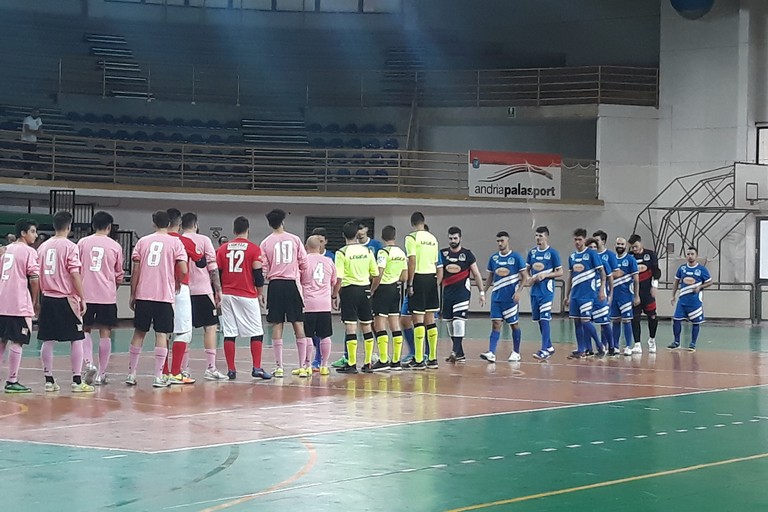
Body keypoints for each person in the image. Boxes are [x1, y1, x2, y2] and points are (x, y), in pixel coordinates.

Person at [126, 210, 187, 388]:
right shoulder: (175, 242)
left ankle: (131, 373)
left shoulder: (143, 242)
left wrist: (133, 294)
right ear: (169, 224)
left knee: (139, 333)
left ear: (153, 224)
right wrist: (177, 282)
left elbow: (136, 270)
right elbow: (183, 269)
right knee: (162, 334)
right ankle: (158, 376)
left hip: (144, 294)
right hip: (164, 295)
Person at [37, 211, 93, 393]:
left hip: (47, 297)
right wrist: (82, 296)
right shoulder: (70, 246)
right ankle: (77, 381)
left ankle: (49, 379)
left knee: (47, 339)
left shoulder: (42, 247)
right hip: (66, 298)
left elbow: (36, 276)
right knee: (76, 338)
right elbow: (74, 273)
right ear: (69, 226)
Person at [216, 216, 272, 380]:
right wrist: (260, 293)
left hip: (227, 294)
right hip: (247, 294)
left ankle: (231, 370)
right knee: (256, 332)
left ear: (234, 231)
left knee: (229, 332)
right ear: (248, 230)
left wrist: (218, 292)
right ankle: (256, 367)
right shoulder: (254, 249)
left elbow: (218, 273)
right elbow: (258, 275)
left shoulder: (223, 249)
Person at [260, 208, 309, 378]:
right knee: (298, 323)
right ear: (283, 221)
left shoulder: (265, 243)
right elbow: (304, 263)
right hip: (291, 284)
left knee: (277, 324)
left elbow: (264, 269)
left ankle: (279, 367)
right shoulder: (295, 239)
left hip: (274, 285)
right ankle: (303, 366)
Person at [77, 211, 124, 385]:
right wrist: (113, 285)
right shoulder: (115, 246)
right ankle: (101, 373)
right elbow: (119, 273)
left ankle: (89, 363)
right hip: (107, 295)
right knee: (105, 332)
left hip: (85, 294)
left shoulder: (82, 243)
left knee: (84, 329)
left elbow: (76, 267)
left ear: (93, 225)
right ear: (109, 227)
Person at [182, 212, 228, 381]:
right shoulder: (204, 240)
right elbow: (212, 268)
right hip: (202, 290)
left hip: (183, 292)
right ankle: (210, 367)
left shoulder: (178, 240)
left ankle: (183, 369)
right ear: (196, 224)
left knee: (183, 331)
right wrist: (218, 290)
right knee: (210, 327)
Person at [165, 208, 206, 385]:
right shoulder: (183, 240)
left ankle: (163, 371)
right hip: (179, 288)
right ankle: (175, 372)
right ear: (179, 224)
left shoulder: (149, 241)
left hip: (158, 289)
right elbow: (201, 260)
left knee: (163, 331)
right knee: (183, 332)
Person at [0, 219, 40, 393]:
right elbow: (34, 278)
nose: (36, 235)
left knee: (2, 340)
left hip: (2, 301)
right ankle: (12, 380)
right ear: (23, 233)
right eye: (32, 231)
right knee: (18, 340)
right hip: (17, 302)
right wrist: (35, 300)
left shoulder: (5, 250)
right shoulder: (29, 251)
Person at [334, 221, 379, 374]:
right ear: (357, 235)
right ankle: (367, 363)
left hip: (349, 290)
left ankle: (351, 364)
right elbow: (375, 274)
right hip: (364, 289)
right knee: (366, 325)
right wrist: (371, 290)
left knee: (351, 326)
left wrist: (335, 294)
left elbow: (338, 277)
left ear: (343, 235)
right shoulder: (367, 251)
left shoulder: (341, 253)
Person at [440, 226, 485, 365]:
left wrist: (482, 292)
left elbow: (476, 274)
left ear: (460, 238)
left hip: (462, 293)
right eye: (450, 238)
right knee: (450, 324)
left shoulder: (467, 254)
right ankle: (459, 353)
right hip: (447, 294)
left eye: (455, 238)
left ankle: (454, 351)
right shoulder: (442, 254)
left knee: (459, 321)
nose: (453, 241)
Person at [481, 231, 527, 363]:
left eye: (502, 240)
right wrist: (483, 292)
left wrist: (519, 291)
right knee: (496, 324)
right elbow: (490, 277)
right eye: (498, 241)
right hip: (497, 298)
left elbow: (524, 277)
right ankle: (491, 352)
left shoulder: (516, 257)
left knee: (514, 324)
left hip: (510, 298)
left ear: (508, 240)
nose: (500, 243)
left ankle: (516, 352)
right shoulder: (494, 258)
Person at [405, 212, 441, 370]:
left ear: (412, 223)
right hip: (431, 278)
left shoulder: (411, 238)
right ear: (423, 221)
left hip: (418, 277)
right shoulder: (433, 239)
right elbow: (435, 261)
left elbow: (412, 260)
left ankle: (419, 358)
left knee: (417, 319)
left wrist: (410, 282)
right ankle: (432, 358)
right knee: (430, 319)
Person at [369, 225, 407, 371]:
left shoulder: (383, 253)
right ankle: (396, 361)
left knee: (379, 324)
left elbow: (379, 273)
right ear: (394, 236)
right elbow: (404, 276)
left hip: (383, 289)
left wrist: (373, 289)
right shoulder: (401, 252)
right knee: (394, 324)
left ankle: (383, 359)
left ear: (383, 237)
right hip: (395, 289)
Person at [565, 229, 606, 359]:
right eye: (575, 239)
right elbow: (570, 276)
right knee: (577, 321)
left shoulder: (591, 254)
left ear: (584, 239)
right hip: (575, 295)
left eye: (580, 239)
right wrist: (567, 295)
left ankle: (599, 345)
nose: (577, 242)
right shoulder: (572, 256)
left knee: (586, 321)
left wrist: (601, 290)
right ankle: (581, 349)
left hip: (588, 294)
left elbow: (603, 273)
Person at [300, 235, 336, 376]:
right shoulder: (328, 261)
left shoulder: (303, 262)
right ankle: (324, 365)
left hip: (308, 303)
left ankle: (307, 365)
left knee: (308, 335)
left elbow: (300, 280)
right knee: (325, 335)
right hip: (324, 304)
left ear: (306, 247)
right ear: (320, 247)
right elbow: (334, 281)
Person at [525, 226, 563, 361]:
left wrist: (546, 275)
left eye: (540, 236)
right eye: (536, 236)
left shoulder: (553, 253)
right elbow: (526, 270)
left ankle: (544, 349)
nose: (538, 238)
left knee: (545, 318)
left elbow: (560, 272)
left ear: (546, 237)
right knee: (540, 320)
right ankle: (550, 346)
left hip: (547, 291)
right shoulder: (532, 253)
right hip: (535, 291)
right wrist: (529, 278)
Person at [669, 247, 712, 351]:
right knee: (676, 320)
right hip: (682, 300)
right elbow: (676, 282)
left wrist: (700, 287)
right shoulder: (682, 268)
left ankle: (692, 343)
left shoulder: (702, 269)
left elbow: (710, 282)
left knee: (695, 322)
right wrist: (673, 295)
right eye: (688, 254)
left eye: (692, 254)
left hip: (695, 301)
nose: (690, 256)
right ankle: (676, 342)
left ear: (696, 256)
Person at [628, 234, 661, 354]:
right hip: (635, 291)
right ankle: (637, 344)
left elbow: (656, 271)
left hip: (648, 291)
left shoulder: (650, 254)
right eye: (632, 247)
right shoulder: (630, 256)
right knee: (635, 317)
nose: (634, 249)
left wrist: (655, 286)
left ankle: (652, 339)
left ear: (640, 243)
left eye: (636, 246)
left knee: (652, 316)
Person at [309, 226, 334, 371]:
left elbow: (335, 278)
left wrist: (335, 294)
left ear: (325, 242)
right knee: (310, 333)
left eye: (321, 240)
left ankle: (320, 359)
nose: (319, 243)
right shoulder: (307, 258)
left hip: (324, 300)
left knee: (323, 333)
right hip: (310, 300)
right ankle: (315, 358)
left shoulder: (330, 257)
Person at [611, 237, 640, 356]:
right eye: (618, 243)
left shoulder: (630, 260)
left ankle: (628, 346)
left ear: (625, 246)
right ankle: (615, 346)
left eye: (622, 244)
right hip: (614, 296)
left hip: (626, 296)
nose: (619, 246)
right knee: (615, 321)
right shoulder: (611, 259)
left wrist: (636, 296)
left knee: (627, 320)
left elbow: (636, 279)